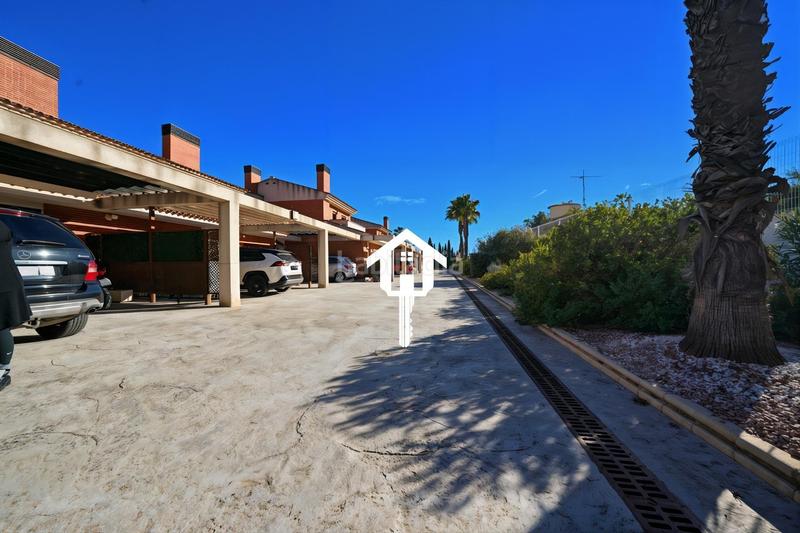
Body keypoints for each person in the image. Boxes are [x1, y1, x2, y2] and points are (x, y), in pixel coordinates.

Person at [0, 219, 31, 391]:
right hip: (7, 281)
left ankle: (2, 370)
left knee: (1, 325)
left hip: (3, 284)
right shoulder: (4, 227)